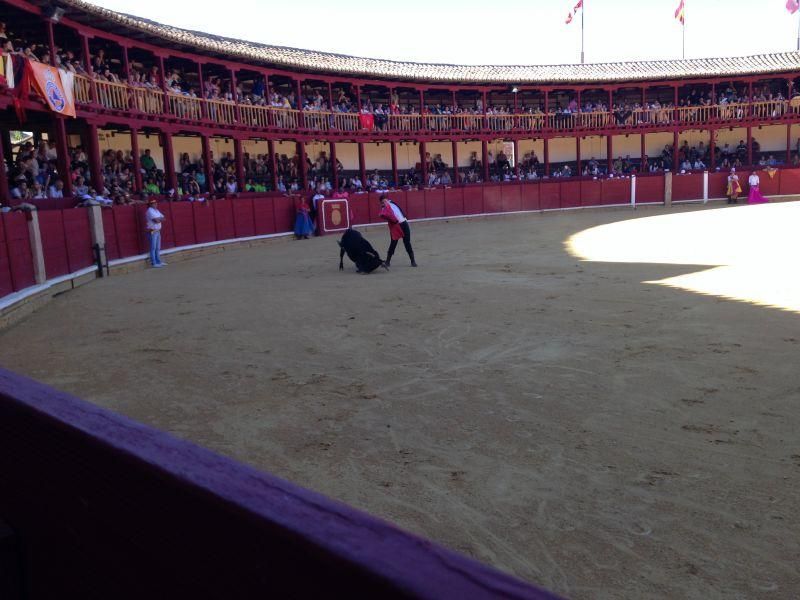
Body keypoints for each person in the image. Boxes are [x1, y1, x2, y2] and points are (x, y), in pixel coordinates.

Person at [379, 195, 417, 267]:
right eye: (383, 202)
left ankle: (413, 261)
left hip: (404, 223)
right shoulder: (384, 208)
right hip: (395, 226)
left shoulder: (392, 203)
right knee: (393, 243)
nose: (385, 202)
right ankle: (387, 262)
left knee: (407, 242)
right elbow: (383, 213)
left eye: (385, 201)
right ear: (382, 203)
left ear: (388, 200)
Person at [145, 197, 166, 267]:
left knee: (157, 248)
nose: (156, 204)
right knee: (153, 247)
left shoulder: (156, 210)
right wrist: (159, 219)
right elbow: (156, 221)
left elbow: (164, 218)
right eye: (154, 203)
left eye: (156, 203)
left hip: (158, 231)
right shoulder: (149, 211)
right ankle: (154, 263)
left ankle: (158, 261)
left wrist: (159, 219)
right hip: (152, 231)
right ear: (150, 204)